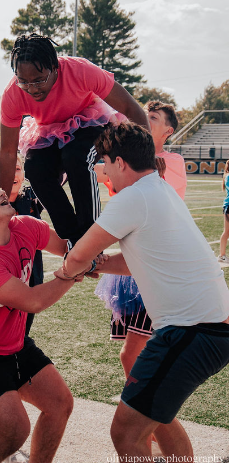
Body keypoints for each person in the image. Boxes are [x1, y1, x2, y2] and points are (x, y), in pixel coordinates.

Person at [58, 122, 229, 458]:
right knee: (157, 419)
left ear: (120, 162)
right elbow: (142, 257)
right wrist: (98, 265)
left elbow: (78, 253)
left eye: (105, 163)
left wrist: (67, 271)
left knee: (126, 432)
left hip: (189, 332)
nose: (103, 171)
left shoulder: (132, 197)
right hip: (206, 330)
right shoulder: (157, 188)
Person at [0, 170, 97, 463]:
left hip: (16, 345)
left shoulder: (26, 226)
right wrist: (70, 274)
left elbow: (72, 252)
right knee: (14, 432)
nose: (1, 191)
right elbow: (33, 301)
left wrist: (92, 260)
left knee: (59, 404)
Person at [0, 32, 149, 249]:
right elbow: (8, 153)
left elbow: (130, 107)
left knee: (76, 156)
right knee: (34, 169)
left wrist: (150, 159)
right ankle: (74, 238)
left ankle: (91, 236)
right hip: (49, 131)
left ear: (55, 68)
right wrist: (0, 204)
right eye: (24, 82)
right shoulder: (13, 94)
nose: (32, 89)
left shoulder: (80, 70)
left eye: (39, 80)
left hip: (89, 121)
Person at [94, 101, 187, 380]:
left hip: (153, 263)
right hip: (129, 261)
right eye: (144, 115)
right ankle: (143, 413)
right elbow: (92, 170)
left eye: (153, 118)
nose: (144, 119)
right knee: (135, 353)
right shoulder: (125, 160)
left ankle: (144, 413)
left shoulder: (172, 162)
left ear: (168, 131)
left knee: (134, 354)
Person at [0, 125, 43, 335]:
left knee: (24, 327)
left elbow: (57, 178)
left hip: (29, 273)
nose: (13, 173)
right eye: (8, 168)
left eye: (18, 168)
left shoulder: (32, 196)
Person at [218, 159, 229, 265]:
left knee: (227, 232)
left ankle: (222, 255)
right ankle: (222, 255)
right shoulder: (229, 176)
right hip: (228, 206)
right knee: (226, 232)